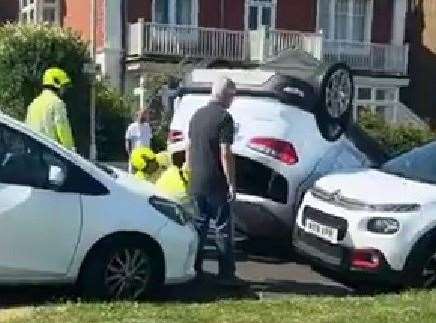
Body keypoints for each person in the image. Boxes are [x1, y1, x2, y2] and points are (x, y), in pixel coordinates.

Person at [186, 77, 242, 285]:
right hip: (216, 182)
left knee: (199, 227)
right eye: (232, 96)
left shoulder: (197, 115)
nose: (232, 101)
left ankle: (194, 267)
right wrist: (231, 183)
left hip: (197, 181)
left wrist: (190, 172)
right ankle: (226, 275)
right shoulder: (225, 118)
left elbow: (189, 147)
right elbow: (225, 153)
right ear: (226, 95)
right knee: (222, 228)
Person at [26, 68, 75, 150]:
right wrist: (71, 152)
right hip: (51, 154)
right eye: (64, 86)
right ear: (56, 84)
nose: (65, 90)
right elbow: (63, 131)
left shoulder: (33, 104)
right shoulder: (57, 103)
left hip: (33, 152)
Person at [125, 109, 152, 173]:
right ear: (137, 116)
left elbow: (150, 141)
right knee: (132, 175)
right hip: (135, 156)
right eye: (141, 115)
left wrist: (150, 153)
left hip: (145, 157)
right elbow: (127, 142)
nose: (143, 117)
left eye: (144, 115)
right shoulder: (131, 127)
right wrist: (130, 155)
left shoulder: (147, 127)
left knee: (144, 175)